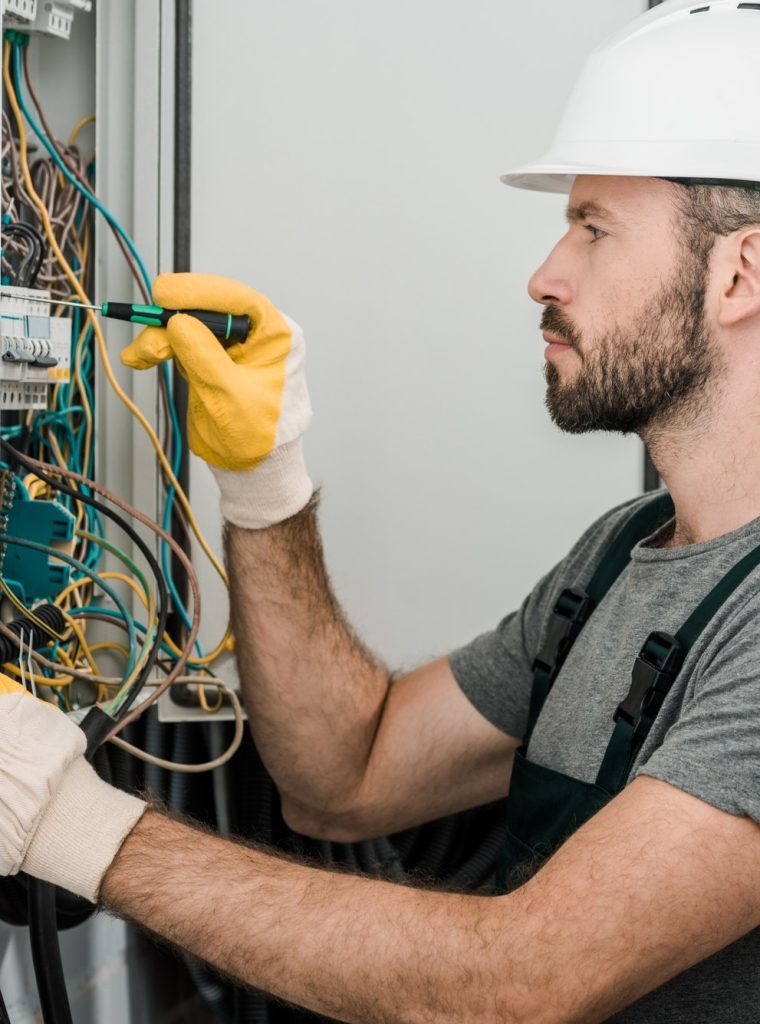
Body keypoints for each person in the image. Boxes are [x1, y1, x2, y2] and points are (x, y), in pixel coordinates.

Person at [3, 1, 760, 1020]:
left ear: (738, 274)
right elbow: (346, 772)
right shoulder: (623, 554)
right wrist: (266, 482)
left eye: (593, 227)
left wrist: (67, 822)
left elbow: (519, 983)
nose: (544, 274)